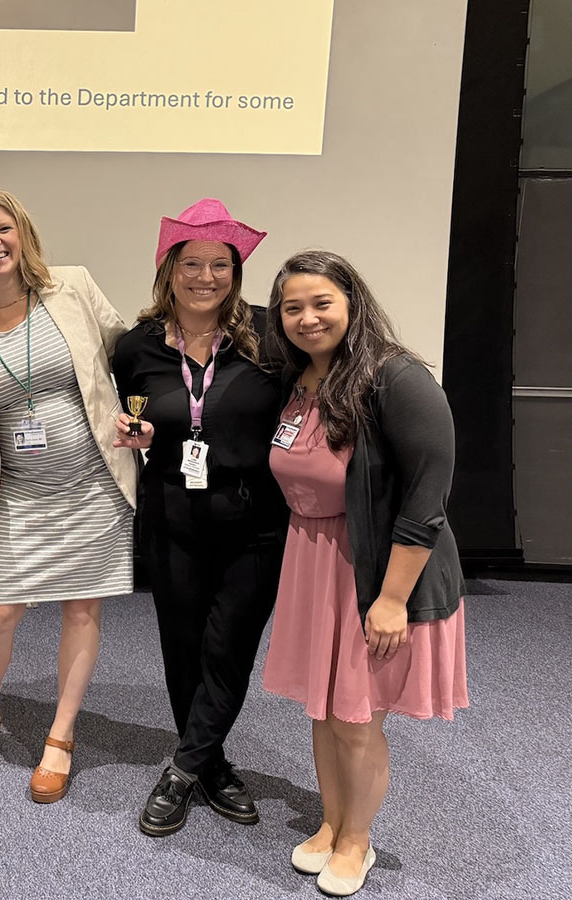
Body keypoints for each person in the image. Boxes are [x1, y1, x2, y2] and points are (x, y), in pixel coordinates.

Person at [261, 250, 468, 897]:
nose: (306, 317)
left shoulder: (396, 379)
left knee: (357, 718)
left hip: (377, 572)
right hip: (313, 564)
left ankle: (358, 840)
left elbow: (427, 500)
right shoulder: (301, 380)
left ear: (352, 302)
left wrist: (392, 601)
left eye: (321, 302)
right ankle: (331, 822)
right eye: (292, 307)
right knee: (322, 712)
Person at [0, 187, 136, 804]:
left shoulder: (71, 287)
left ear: (22, 234)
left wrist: (139, 418)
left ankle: (61, 733)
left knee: (82, 611)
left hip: (90, 486)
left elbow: (124, 353)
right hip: (20, 492)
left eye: (4, 228)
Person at [110, 198, 287, 836]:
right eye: (192, 263)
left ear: (236, 271)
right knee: (183, 647)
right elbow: (120, 413)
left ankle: (182, 770)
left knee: (230, 645)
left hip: (254, 519)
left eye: (220, 264)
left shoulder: (271, 336)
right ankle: (211, 765)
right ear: (169, 267)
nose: (205, 277)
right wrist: (132, 432)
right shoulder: (136, 347)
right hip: (171, 514)